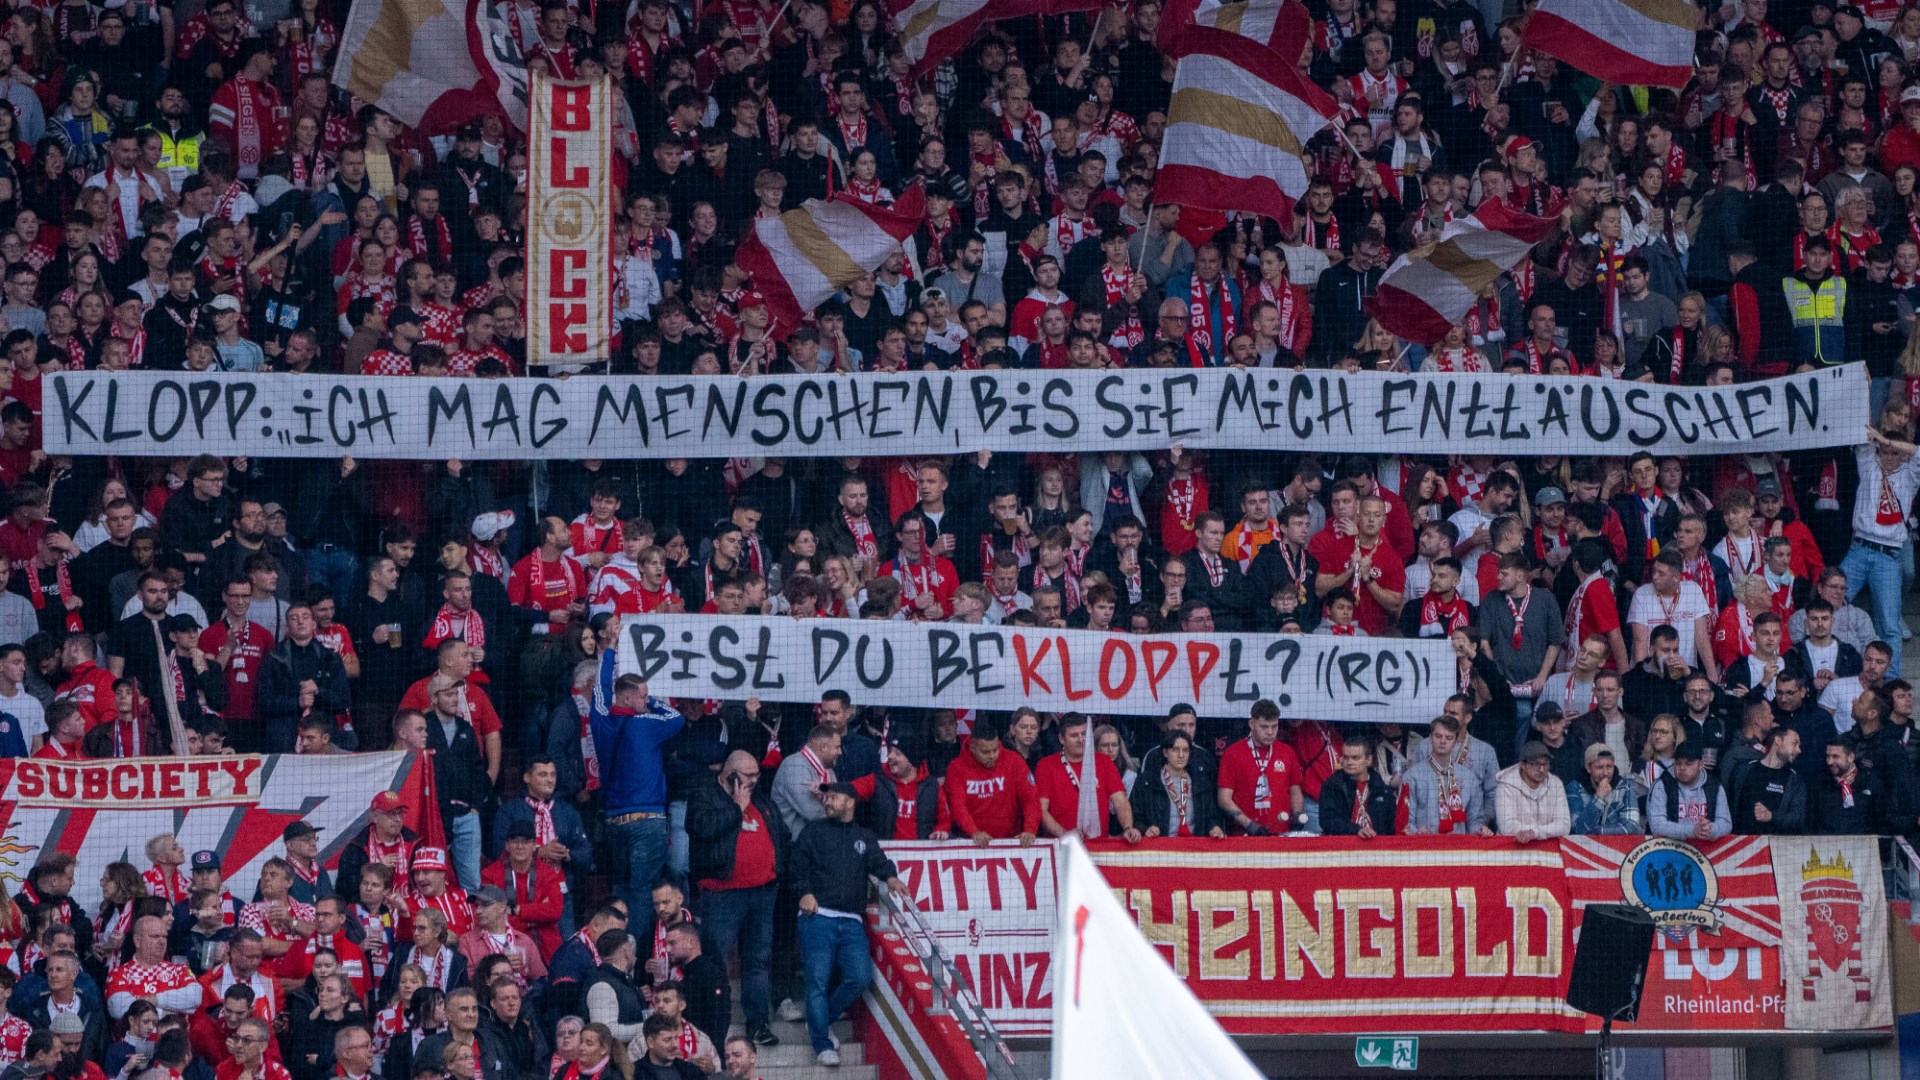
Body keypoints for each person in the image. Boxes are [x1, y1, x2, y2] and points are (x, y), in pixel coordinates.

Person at [790, 782, 906, 1067]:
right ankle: (822, 1043)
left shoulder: (864, 836)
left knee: (860, 977)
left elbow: (880, 863)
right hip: (817, 918)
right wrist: (804, 892)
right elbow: (796, 867)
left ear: (850, 801)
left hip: (852, 921)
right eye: (826, 796)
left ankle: (822, 1018)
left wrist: (890, 877)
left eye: (834, 796)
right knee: (817, 981)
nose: (827, 801)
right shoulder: (813, 831)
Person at [686, 751, 781, 1048]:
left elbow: (780, 833)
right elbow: (700, 828)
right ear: (729, 774)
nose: (754, 780)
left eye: (756, 774)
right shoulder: (704, 795)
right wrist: (736, 808)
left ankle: (758, 1024)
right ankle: (710, 1027)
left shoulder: (762, 799)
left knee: (758, 960)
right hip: (723, 893)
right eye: (748, 775)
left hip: (763, 893)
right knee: (715, 962)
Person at [591, 669, 685, 943]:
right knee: (643, 891)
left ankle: (616, 945)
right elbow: (676, 718)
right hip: (647, 821)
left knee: (621, 886)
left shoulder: (601, 722)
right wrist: (654, 702)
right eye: (642, 695)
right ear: (628, 697)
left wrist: (608, 652)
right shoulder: (645, 724)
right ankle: (632, 951)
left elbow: (600, 688)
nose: (647, 700)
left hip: (614, 823)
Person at [1216, 699, 1304, 834]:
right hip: (1245, 835)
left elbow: (1295, 790)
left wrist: (1297, 814)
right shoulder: (1233, 753)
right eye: (1264, 727)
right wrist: (1250, 825)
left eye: (1274, 726)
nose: (1270, 732)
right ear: (1252, 724)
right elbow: (1224, 799)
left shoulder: (1287, 752)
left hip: (1281, 833)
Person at [1647, 742, 1731, 840]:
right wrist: (1692, 830)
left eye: (1688, 764)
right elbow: (1657, 826)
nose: (1682, 768)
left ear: (1700, 764)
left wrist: (1709, 829)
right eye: (1678, 763)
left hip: (1707, 851)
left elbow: (1726, 823)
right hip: (1669, 850)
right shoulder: (1662, 785)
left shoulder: (1714, 787)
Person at [1317, 737, 1397, 838]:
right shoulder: (1333, 785)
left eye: (1355, 758)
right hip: (1345, 846)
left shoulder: (1382, 789)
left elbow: (1390, 827)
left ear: (1368, 760)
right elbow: (1327, 821)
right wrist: (1356, 830)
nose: (1349, 762)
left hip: (1376, 847)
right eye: (1346, 757)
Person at [1495, 742, 1571, 842]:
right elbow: (1507, 827)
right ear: (1522, 765)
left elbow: (1564, 826)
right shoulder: (1505, 785)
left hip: (1547, 849)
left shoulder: (1556, 784)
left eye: (1545, 764)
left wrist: (1535, 832)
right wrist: (1544, 831)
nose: (1542, 769)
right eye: (1536, 764)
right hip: (1512, 848)